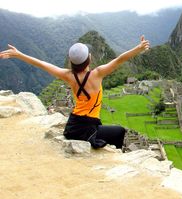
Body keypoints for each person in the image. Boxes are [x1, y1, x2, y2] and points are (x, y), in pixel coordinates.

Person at [0, 35, 150, 149]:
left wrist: (19, 54)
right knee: (119, 131)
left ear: (72, 62)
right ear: (89, 59)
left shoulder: (68, 75)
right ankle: (115, 155)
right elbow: (120, 59)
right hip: (87, 128)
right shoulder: (97, 74)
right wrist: (139, 48)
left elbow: (42, 64)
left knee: (107, 129)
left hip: (72, 126)